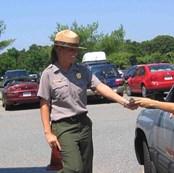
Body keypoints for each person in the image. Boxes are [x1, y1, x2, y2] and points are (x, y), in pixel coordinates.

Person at [38, 29, 137, 173]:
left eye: (76, 50)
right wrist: (48, 132)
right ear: (59, 49)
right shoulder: (49, 74)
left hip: (84, 125)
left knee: (85, 169)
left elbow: (100, 86)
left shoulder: (82, 70)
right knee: (74, 168)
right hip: (63, 127)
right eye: (71, 49)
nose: (75, 53)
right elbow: (44, 105)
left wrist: (124, 101)